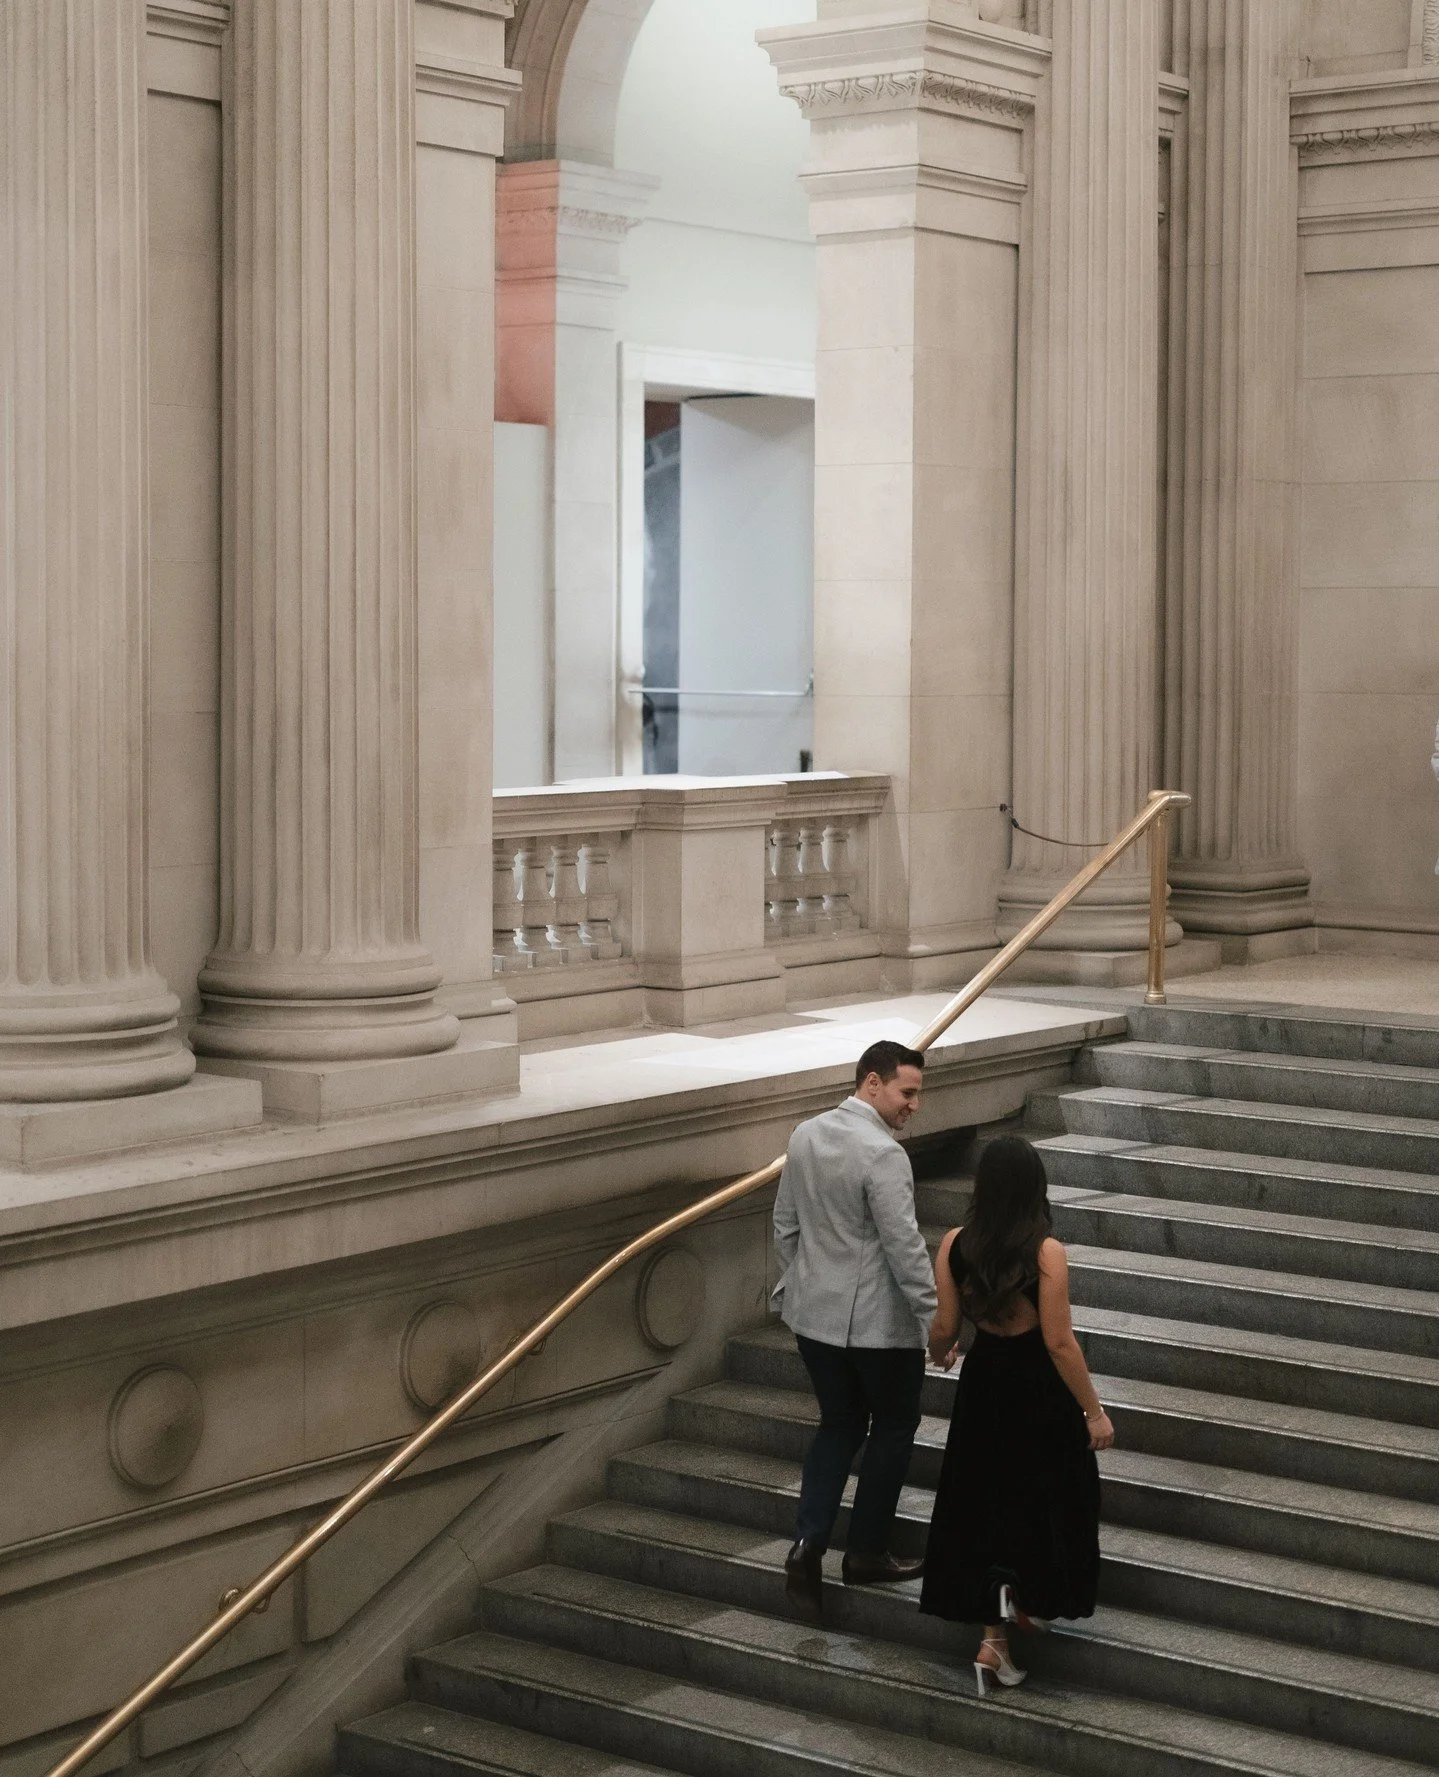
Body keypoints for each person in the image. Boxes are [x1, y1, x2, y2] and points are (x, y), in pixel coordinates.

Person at [920, 1134, 1114, 1696]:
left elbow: (943, 1330)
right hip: (1038, 1393)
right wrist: (1094, 1412)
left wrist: (942, 1355)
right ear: (1035, 1187)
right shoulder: (1045, 1251)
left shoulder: (955, 1243)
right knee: (1046, 1494)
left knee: (982, 1500)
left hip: (985, 1388)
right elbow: (1058, 1342)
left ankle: (993, 1642)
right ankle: (1029, 1596)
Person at [772, 1039, 939, 1619]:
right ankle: (865, 1551)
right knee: (893, 1425)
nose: (914, 1106)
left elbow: (785, 1225)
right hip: (876, 1326)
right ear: (873, 1083)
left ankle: (807, 1543)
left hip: (813, 1319)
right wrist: (935, 1317)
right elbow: (905, 1248)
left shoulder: (805, 1134)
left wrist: (801, 1282)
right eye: (907, 1092)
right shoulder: (885, 1155)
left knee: (838, 1425)